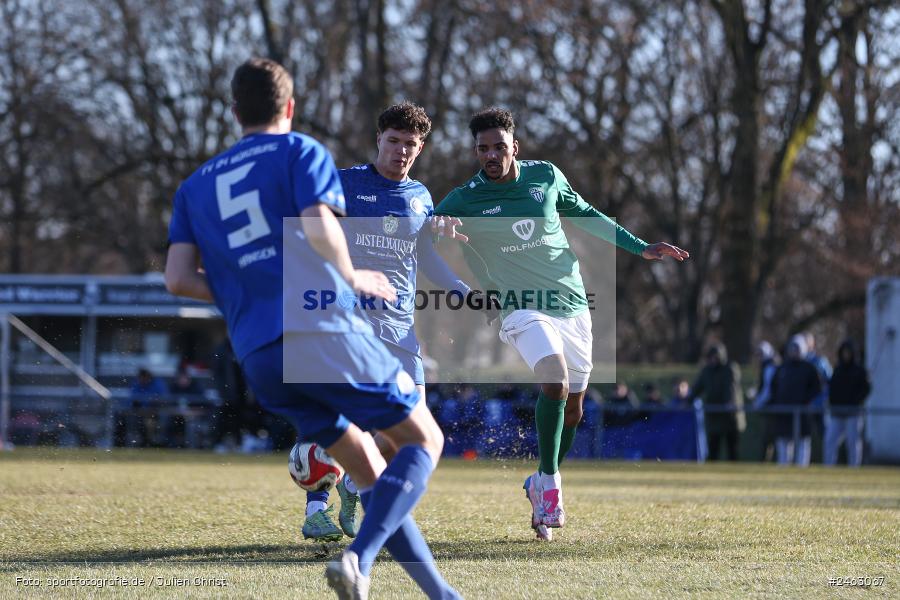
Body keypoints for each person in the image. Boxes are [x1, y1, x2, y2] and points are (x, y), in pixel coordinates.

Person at [164, 58, 459, 600]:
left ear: (234, 112)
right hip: (320, 329)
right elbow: (320, 227)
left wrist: (242, 297)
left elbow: (178, 279)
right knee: (425, 438)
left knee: (371, 470)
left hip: (259, 355)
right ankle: (358, 558)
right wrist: (353, 275)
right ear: (290, 108)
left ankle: (441, 594)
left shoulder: (194, 185)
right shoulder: (301, 151)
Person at [434, 107, 689, 540]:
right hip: (519, 307)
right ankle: (550, 487)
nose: (491, 155)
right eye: (483, 149)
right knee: (554, 380)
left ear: (515, 146)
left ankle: (538, 479)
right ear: (475, 152)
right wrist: (435, 231)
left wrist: (641, 247)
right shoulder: (463, 199)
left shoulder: (546, 177)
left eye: (499, 146)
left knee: (573, 408)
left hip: (571, 303)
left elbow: (587, 214)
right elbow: (425, 235)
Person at [299, 102, 471, 543]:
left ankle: (355, 482)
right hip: (346, 323)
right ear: (379, 138)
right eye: (393, 141)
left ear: (421, 148)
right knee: (338, 421)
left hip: (399, 331)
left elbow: (425, 256)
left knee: (411, 428)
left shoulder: (421, 198)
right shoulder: (345, 184)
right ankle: (316, 507)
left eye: (410, 145)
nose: (401, 151)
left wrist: (459, 288)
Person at [769, 335, 821, 466]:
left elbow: (816, 389)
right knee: (783, 445)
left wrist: (806, 403)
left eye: (797, 348)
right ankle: (783, 468)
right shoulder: (782, 368)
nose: (794, 351)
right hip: (784, 414)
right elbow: (773, 388)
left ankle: (802, 470)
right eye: (792, 348)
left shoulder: (809, 369)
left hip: (802, 414)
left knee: (803, 444)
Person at [690, 344, 744, 461]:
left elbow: (731, 388)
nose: (712, 360)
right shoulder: (707, 371)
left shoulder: (730, 368)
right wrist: (687, 399)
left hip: (730, 416)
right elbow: (697, 388)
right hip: (715, 416)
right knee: (714, 448)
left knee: (732, 449)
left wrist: (730, 402)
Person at [824, 339, 871, 466]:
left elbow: (866, 389)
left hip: (853, 413)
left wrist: (856, 401)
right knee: (830, 440)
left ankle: (854, 467)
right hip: (837, 412)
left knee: (853, 442)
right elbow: (832, 389)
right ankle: (829, 466)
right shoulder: (838, 370)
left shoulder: (860, 371)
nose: (846, 355)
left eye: (848, 352)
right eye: (844, 352)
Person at [124, 368, 168, 447]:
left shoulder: (158, 384)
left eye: (144, 378)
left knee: (156, 421)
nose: (142, 380)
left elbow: (163, 400)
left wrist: (151, 404)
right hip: (139, 413)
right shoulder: (136, 384)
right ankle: (137, 441)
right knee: (131, 418)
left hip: (155, 413)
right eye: (141, 378)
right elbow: (131, 400)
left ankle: (157, 442)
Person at [752, 341, 779, 462]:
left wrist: (757, 403)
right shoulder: (766, 366)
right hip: (769, 408)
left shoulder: (770, 366)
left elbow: (768, 390)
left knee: (769, 439)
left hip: (772, 409)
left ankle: (766, 462)